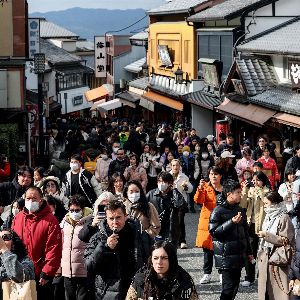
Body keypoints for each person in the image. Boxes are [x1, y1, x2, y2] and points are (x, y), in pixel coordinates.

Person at [84, 200, 143, 300]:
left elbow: (148, 262)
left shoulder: (138, 235)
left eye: (118, 217)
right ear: (106, 219)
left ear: (126, 216)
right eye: (111, 218)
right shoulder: (97, 238)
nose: (115, 222)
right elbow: (89, 266)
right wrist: (105, 247)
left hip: (133, 291)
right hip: (107, 293)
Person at [12, 186, 62, 300]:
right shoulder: (18, 218)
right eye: (28, 198)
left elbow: (54, 248)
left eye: (34, 199)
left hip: (40, 275)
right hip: (20, 274)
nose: (31, 201)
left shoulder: (51, 221)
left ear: (41, 200)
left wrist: (47, 273)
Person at [209, 180, 252, 300]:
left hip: (238, 256)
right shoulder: (218, 211)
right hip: (225, 257)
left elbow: (245, 234)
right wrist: (231, 222)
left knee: (234, 287)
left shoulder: (240, 210)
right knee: (228, 289)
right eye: (238, 192)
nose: (240, 194)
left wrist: (249, 252)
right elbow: (214, 232)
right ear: (229, 194)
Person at [126, 241, 198, 300]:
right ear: (151, 260)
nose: (159, 262)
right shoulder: (140, 280)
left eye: (164, 258)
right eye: (155, 258)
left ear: (171, 260)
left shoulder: (184, 281)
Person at [257, 191, 295, 300]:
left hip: (278, 258)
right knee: (266, 292)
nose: (264, 206)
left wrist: (267, 236)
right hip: (266, 255)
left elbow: (287, 240)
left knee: (278, 290)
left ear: (274, 204)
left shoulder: (284, 217)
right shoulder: (269, 215)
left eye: (266, 204)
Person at [240, 171, 270, 287]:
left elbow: (266, 203)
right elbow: (242, 205)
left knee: (263, 252)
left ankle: (263, 277)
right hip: (251, 225)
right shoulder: (250, 190)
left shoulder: (268, 191)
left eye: (258, 179)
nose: (255, 182)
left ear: (263, 180)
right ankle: (249, 277)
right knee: (250, 252)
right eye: (254, 180)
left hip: (263, 226)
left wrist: (258, 192)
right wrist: (245, 190)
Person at [60, 195, 93, 300]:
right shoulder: (65, 222)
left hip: (83, 271)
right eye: (71, 210)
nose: (74, 213)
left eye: (77, 210)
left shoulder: (90, 222)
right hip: (67, 271)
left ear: (82, 209)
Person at [194, 166, 223, 284]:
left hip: (221, 221)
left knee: (221, 249)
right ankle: (207, 274)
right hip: (207, 221)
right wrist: (200, 188)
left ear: (220, 176)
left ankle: (222, 273)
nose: (213, 176)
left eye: (216, 174)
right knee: (207, 250)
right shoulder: (205, 187)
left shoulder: (225, 188)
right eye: (211, 174)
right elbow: (198, 201)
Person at [123, 180, 160, 261]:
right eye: (131, 191)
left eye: (137, 191)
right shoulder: (121, 206)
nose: (134, 194)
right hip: (125, 243)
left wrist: (145, 234)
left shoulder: (148, 206)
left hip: (144, 244)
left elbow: (156, 226)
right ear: (126, 192)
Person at [147, 171, 186, 246]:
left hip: (170, 230)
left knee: (170, 254)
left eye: (164, 181)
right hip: (155, 229)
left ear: (170, 183)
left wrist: (175, 190)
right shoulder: (151, 194)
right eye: (159, 181)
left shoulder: (174, 195)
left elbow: (181, 205)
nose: (161, 184)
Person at [0, 229, 35, 299]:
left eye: (6, 237)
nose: (2, 242)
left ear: (14, 243)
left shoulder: (25, 261)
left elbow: (20, 277)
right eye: (0, 239)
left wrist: (4, 249)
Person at [170, 159, 192, 249]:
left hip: (180, 202)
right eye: (173, 165)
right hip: (170, 201)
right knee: (170, 221)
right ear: (171, 166)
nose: (175, 167)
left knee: (180, 221)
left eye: (177, 165)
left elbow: (190, 189)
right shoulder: (167, 175)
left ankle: (182, 241)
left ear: (179, 166)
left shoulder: (184, 177)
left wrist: (185, 186)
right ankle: (172, 240)